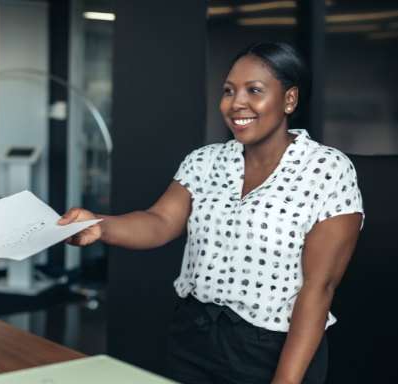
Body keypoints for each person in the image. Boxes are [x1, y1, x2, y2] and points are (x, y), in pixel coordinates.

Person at [59, 41, 363, 384]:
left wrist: (286, 380)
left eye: (255, 90)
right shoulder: (205, 160)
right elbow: (160, 222)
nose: (236, 103)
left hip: (274, 348)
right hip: (194, 337)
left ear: (289, 99)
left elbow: (318, 287)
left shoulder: (326, 168)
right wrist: (100, 226)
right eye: (229, 90)